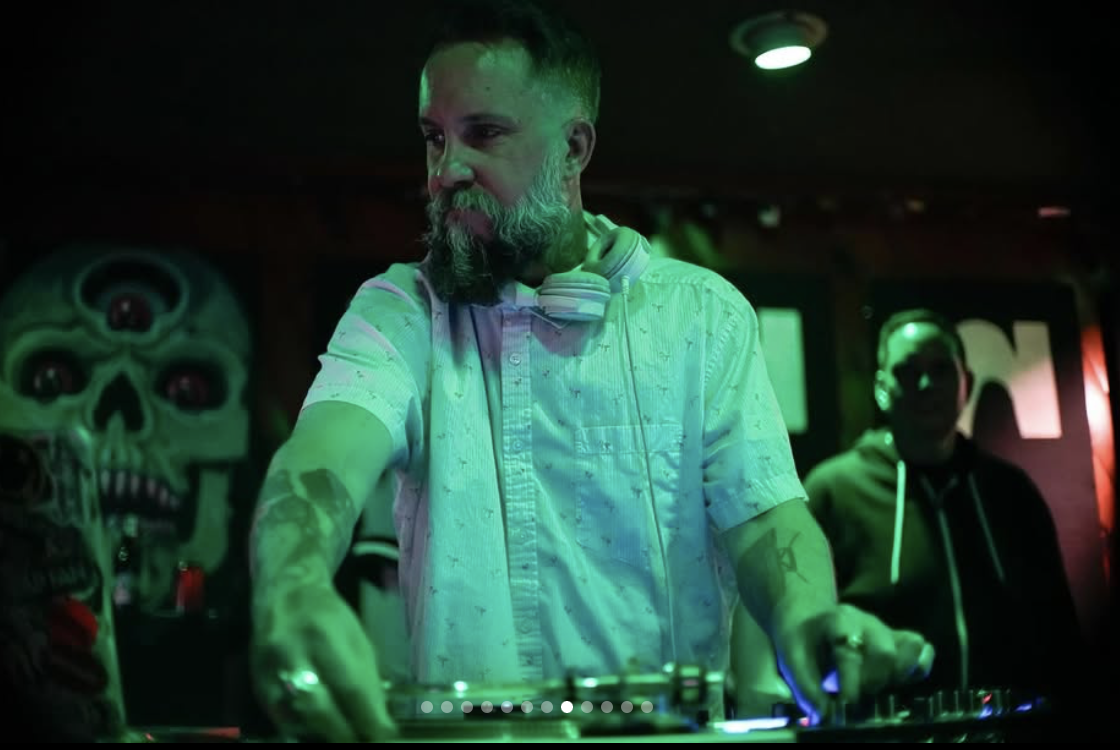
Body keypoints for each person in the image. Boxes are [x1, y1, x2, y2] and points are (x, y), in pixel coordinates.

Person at [246, 0, 933, 741]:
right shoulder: (401, 311)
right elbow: (321, 462)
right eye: (434, 138)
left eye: (484, 133)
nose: (446, 171)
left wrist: (808, 616)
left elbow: (764, 516)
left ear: (574, 148)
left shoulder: (702, 315)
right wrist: (292, 585)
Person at [731, 308, 1088, 720]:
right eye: (908, 371)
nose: (925, 384)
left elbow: (1060, 627)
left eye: (940, 369)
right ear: (881, 388)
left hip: (1011, 728)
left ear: (967, 383)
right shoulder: (835, 488)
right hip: (882, 731)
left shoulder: (1010, 491)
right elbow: (789, 609)